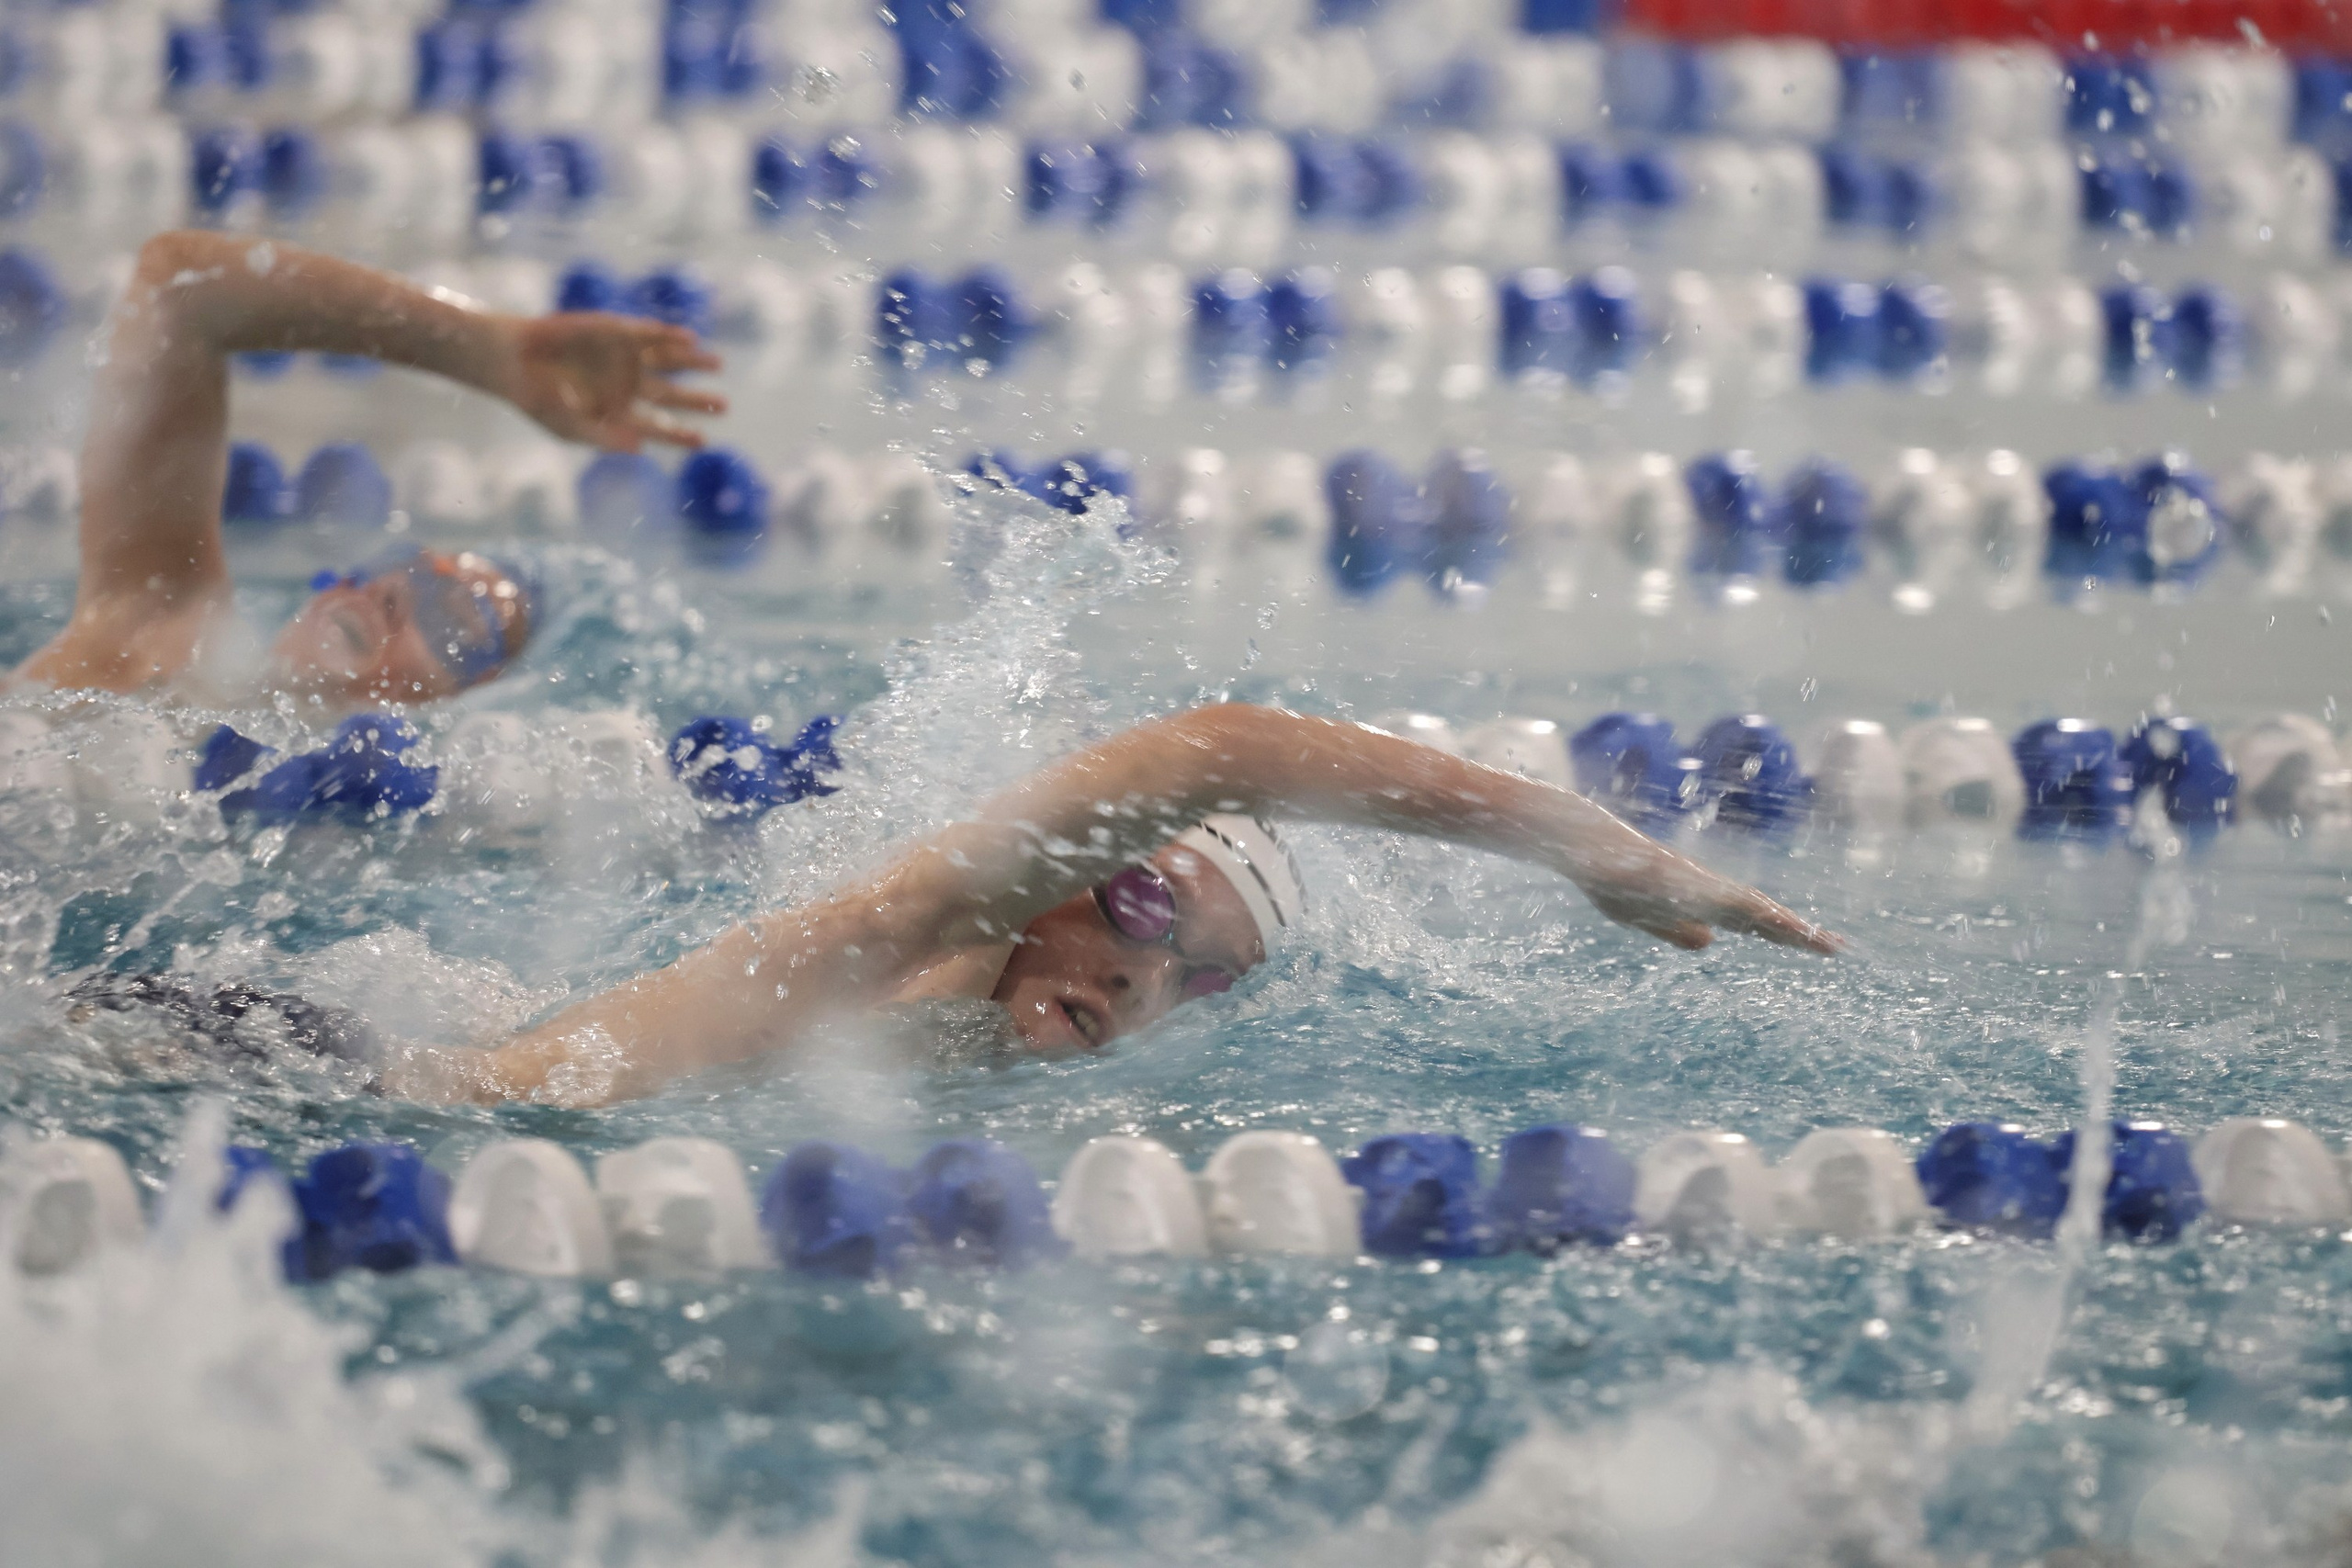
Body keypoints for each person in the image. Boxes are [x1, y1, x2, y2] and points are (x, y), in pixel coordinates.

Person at [391, 704, 1842, 1108]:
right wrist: (1579, 841)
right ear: (1051, 881)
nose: (1149, 984)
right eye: (1145, 905)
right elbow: (1218, 748)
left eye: (1202, 975)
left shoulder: (950, 1069)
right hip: (351, 1079)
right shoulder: (892, 942)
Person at [8, 229, 722, 705]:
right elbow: (180, 286)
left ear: (461, 702)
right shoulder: (156, 622)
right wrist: (491, 351)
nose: (395, 596)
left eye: (455, 624)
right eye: (410, 569)